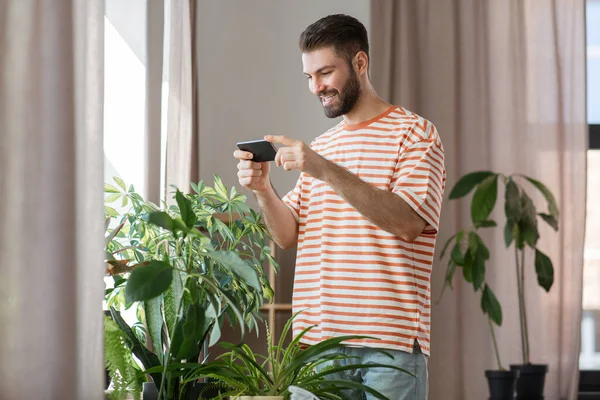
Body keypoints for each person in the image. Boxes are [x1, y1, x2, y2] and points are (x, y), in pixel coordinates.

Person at [234, 14, 445, 400]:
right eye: (309, 76)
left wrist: (322, 169)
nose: (316, 87)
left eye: (326, 72)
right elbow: (286, 235)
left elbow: (407, 223)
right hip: (318, 346)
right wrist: (263, 189)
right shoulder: (323, 147)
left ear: (360, 63)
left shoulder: (416, 134)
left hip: (391, 347)